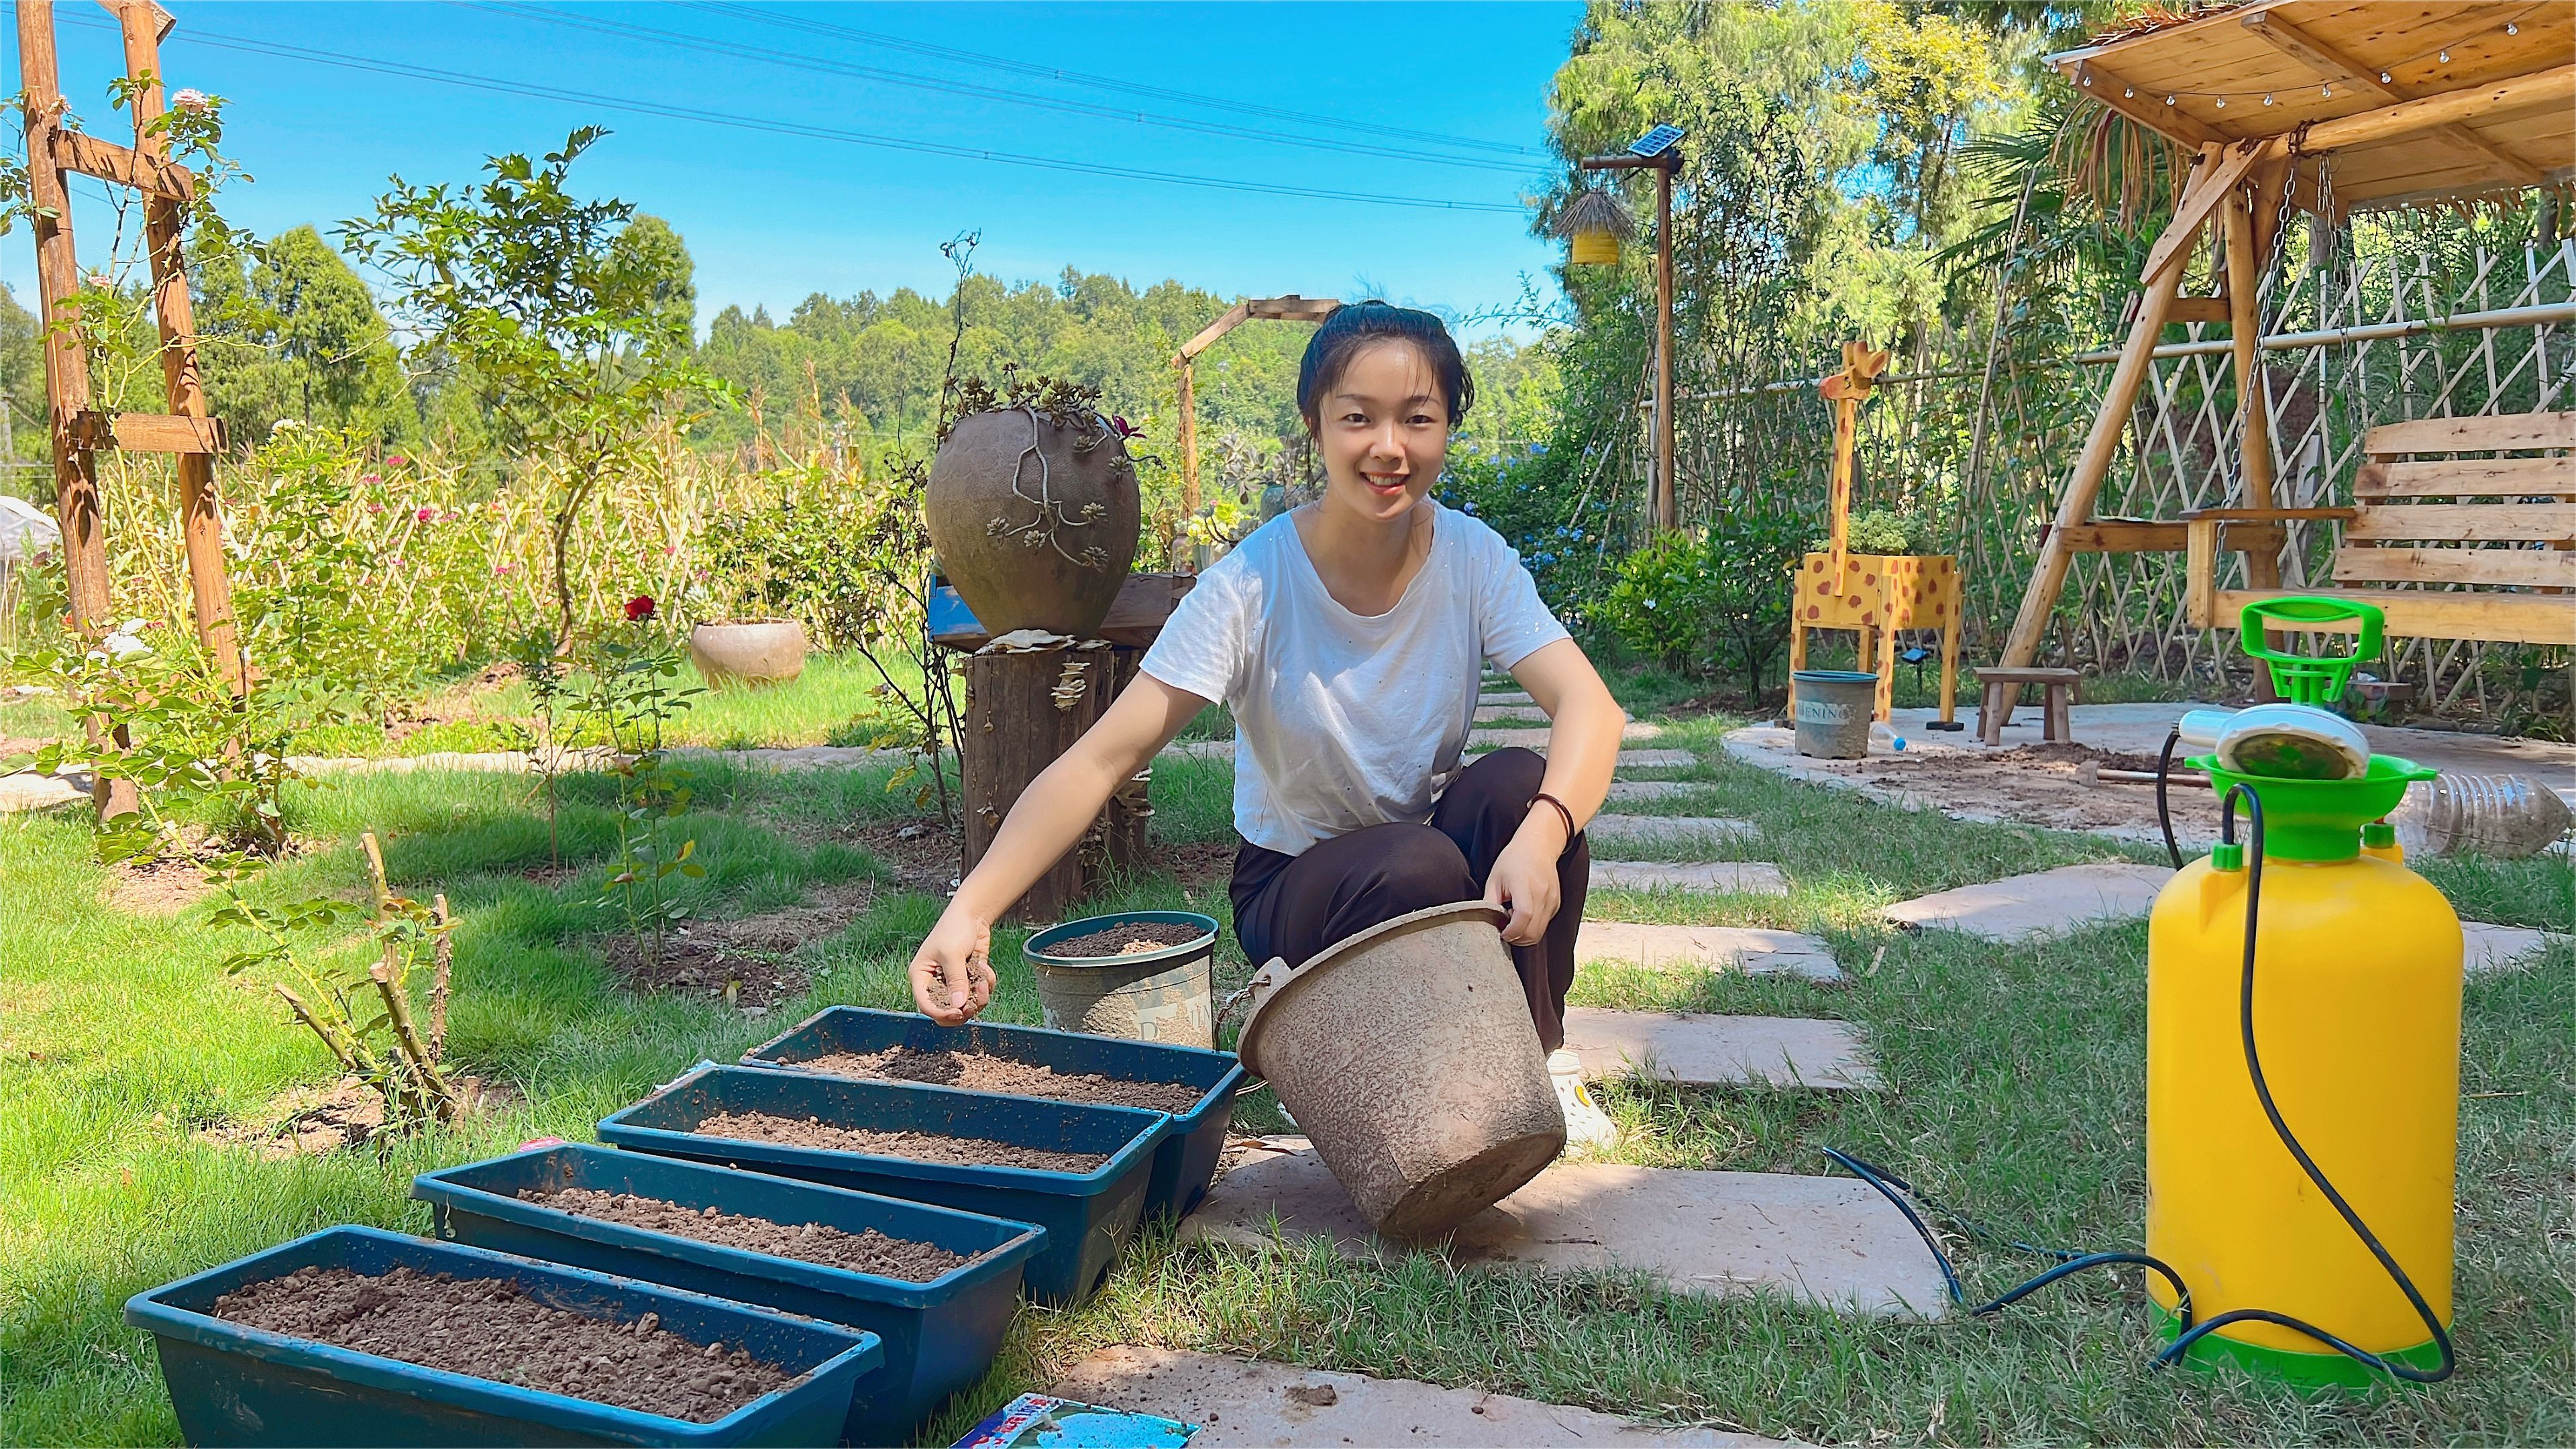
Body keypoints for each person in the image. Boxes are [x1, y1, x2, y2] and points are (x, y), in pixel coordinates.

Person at [907, 302, 1628, 1146]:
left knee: (1516, 788)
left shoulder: (1472, 559)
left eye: (1417, 419)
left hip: (1415, 851)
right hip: (1295, 888)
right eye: (1358, 417)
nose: (1388, 446)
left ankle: (1535, 1064)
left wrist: (1543, 835)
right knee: (1419, 863)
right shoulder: (1251, 586)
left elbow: (1592, 708)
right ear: (1315, 426)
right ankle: (1329, 1047)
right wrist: (971, 910)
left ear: (1445, 429)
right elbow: (1102, 759)